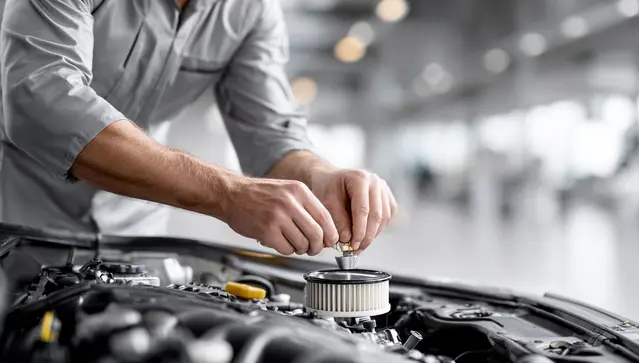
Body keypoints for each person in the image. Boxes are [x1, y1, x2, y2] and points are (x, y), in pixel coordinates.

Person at [0, 0, 397, 256]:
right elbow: (41, 100)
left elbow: (272, 134)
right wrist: (227, 194)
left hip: (136, 238)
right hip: (16, 219)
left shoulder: (252, 12)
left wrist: (320, 175)